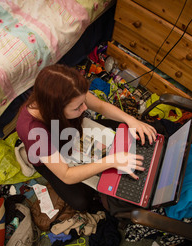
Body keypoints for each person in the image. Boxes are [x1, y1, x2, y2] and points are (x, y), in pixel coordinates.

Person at [16, 64, 157, 212]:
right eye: (77, 107)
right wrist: (111, 160)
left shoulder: (69, 92)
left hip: (71, 132)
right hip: (50, 158)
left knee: (135, 132)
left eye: (83, 102)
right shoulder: (34, 132)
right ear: (56, 110)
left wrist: (130, 120)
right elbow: (66, 174)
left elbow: (101, 106)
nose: (85, 108)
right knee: (81, 202)